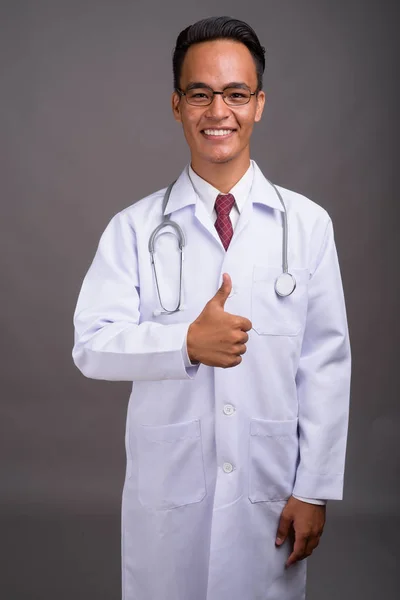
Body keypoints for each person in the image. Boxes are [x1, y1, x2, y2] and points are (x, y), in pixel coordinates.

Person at [72, 16, 351, 600]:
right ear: (177, 105)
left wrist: (315, 489)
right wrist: (182, 345)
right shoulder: (134, 228)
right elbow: (92, 343)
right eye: (200, 94)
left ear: (259, 104)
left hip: (270, 491)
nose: (218, 110)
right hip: (170, 495)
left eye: (235, 94)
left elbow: (325, 363)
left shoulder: (307, 224)